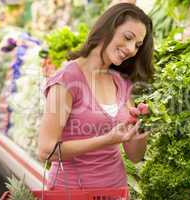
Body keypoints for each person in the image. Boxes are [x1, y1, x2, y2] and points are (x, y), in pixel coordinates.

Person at [38, 3, 154, 190]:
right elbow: (46, 151)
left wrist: (142, 128)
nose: (132, 49)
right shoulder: (67, 79)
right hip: (72, 192)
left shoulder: (121, 82)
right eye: (128, 37)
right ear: (108, 28)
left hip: (115, 190)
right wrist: (106, 140)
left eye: (137, 45)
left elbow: (134, 155)